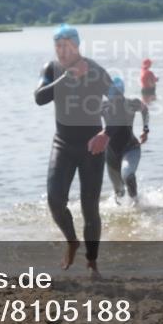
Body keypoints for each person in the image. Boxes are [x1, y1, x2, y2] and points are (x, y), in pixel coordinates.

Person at [34, 24, 112, 277]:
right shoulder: (52, 69)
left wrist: (106, 133)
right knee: (55, 200)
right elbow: (39, 97)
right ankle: (71, 241)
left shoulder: (97, 72)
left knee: (90, 207)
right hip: (63, 143)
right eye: (57, 46)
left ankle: (92, 261)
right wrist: (63, 78)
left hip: (92, 146)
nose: (62, 52)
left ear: (77, 46)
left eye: (66, 47)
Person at [102, 77, 149, 203]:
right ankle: (125, 210)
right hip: (111, 154)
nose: (115, 100)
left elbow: (144, 110)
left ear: (122, 93)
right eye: (112, 96)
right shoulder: (103, 106)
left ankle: (136, 204)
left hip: (130, 149)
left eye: (118, 96)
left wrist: (145, 130)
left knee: (127, 174)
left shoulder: (131, 103)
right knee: (119, 193)